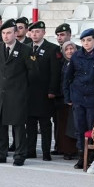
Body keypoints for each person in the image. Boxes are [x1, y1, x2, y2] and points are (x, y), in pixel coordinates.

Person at [0, 19, 36, 166]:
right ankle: (0, 153)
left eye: (9, 33)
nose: (5, 36)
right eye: (3, 33)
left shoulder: (26, 50)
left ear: (16, 33)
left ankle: (20, 155)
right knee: (0, 124)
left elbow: (33, 73)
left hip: (17, 93)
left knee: (18, 126)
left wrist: (21, 88)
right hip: (0, 93)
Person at [64, 29, 94, 169]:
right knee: (79, 128)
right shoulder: (76, 56)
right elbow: (68, 77)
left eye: (89, 40)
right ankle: (81, 156)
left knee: (92, 128)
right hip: (78, 97)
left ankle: (93, 156)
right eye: (83, 41)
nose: (86, 43)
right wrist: (68, 96)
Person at [25, 21, 61, 161]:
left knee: (45, 124)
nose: (35, 34)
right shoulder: (26, 48)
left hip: (45, 93)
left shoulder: (52, 49)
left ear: (44, 33)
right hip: (29, 92)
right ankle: (30, 150)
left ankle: (46, 152)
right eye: (32, 32)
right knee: (30, 124)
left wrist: (52, 90)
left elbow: (55, 72)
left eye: (38, 31)